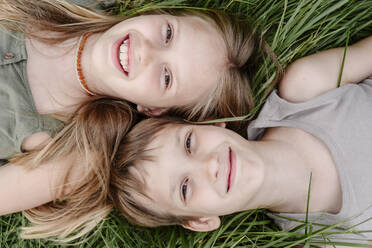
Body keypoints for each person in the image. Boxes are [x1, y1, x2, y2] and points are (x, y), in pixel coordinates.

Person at [110, 36, 372, 245]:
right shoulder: (330, 240)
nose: (209, 165)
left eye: (189, 144)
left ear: (212, 123)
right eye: (185, 188)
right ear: (201, 221)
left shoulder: (305, 90)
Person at [0, 0, 270, 164]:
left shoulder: (71, 146)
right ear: (158, 13)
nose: (146, 52)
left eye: (166, 77)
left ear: (153, 109)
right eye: (167, 33)